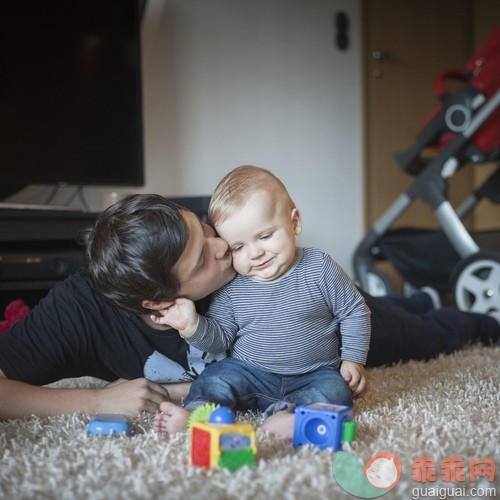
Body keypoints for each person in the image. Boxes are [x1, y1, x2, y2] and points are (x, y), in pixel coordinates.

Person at [0, 185, 499, 422]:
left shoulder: (237, 257)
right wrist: (93, 401)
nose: (226, 249)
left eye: (205, 229)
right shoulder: (76, 313)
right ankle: (415, 303)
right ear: (159, 302)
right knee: (401, 315)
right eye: (203, 259)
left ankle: (459, 315)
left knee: (427, 334)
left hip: (312, 314)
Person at [151, 166, 371, 437]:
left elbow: (354, 311)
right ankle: (197, 416)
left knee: (337, 391)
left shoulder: (319, 268)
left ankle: (296, 418)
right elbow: (220, 341)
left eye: (265, 236)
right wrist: (191, 325)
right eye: (238, 247)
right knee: (216, 378)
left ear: (295, 223)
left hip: (313, 373)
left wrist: (353, 359)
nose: (255, 253)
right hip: (250, 373)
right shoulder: (231, 287)